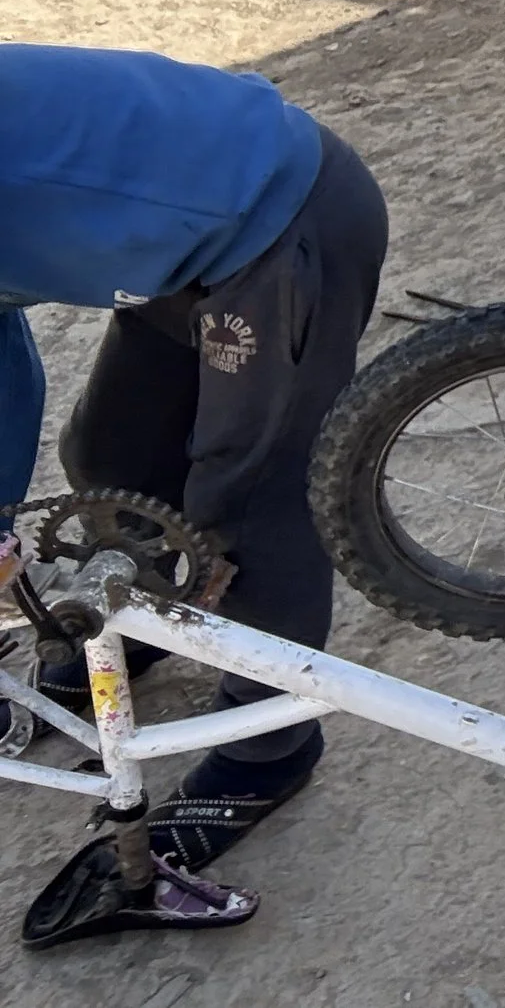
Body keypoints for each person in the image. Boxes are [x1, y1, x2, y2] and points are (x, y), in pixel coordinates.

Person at [0, 45, 389, 875]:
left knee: (243, 508)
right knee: (108, 455)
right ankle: (155, 619)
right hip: (180, 248)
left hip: (283, 224)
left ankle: (268, 746)